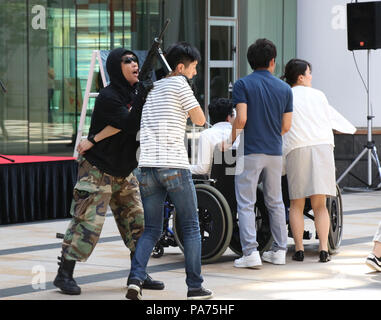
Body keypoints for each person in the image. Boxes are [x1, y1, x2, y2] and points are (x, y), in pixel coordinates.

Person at [53, 48, 164, 295]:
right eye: (128, 61)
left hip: (124, 171)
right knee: (86, 224)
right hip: (97, 169)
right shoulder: (107, 96)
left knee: (138, 225)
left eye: (136, 60)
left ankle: (138, 274)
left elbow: (142, 121)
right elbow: (128, 123)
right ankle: (64, 275)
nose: (134, 63)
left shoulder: (138, 93)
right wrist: (142, 98)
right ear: (115, 67)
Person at [126, 42, 213, 300]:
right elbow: (200, 120)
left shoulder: (150, 89)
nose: (195, 73)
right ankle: (195, 286)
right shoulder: (179, 84)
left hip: (147, 167)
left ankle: (135, 279)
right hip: (173, 165)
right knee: (190, 226)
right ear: (180, 67)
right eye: (194, 68)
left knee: (151, 229)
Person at [224, 38, 293, 268]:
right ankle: (280, 250)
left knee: (245, 202)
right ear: (272, 61)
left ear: (250, 61)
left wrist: (230, 140)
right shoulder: (285, 88)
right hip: (275, 151)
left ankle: (250, 253)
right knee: (276, 201)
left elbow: (241, 118)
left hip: (250, 151)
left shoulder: (243, 84)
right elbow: (286, 126)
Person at [281, 58, 356, 263]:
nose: (311, 77)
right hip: (322, 146)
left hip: (297, 147)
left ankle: (299, 250)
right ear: (301, 77)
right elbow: (333, 119)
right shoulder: (319, 95)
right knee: (320, 205)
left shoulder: (286, 94)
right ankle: (323, 249)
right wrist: (351, 129)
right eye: (309, 73)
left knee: (296, 204)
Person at [190, 98, 238, 176]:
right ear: (229, 117)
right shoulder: (240, 134)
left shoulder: (206, 134)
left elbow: (202, 169)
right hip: (241, 184)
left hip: (214, 185)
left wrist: (183, 167)